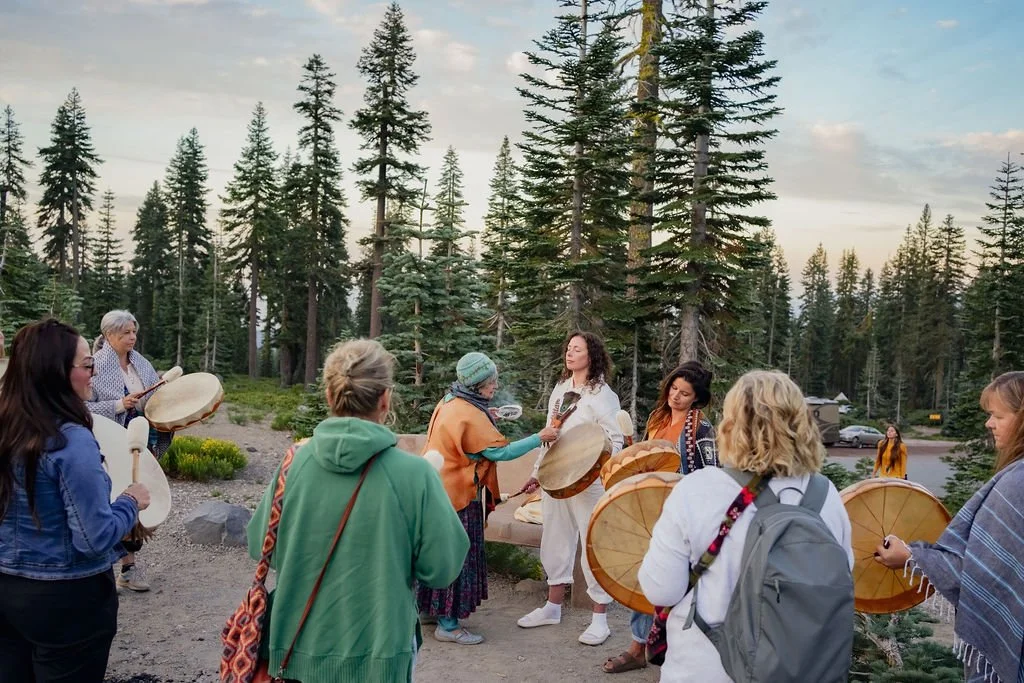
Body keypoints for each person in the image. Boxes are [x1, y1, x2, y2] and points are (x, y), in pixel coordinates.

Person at [246, 339, 469, 683]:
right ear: (385, 399)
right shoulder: (416, 474)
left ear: (329, 396)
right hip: (380, 656)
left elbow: (261, 547)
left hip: (295, 651)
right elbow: (441, 569)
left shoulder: (293, 464)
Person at [638, 370, 853, 683]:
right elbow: (842, 574)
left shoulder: (697, 489)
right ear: (801, 424)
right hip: (797, 668)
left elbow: (662, 589)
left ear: (731, 425)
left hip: (704, 667)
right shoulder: (825, 495)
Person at [0, 319, 150, 683]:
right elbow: (93, 537)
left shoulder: (7, 424)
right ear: (55, 372)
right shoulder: (70, 440)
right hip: (67, 597)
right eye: (87, 365)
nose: (93, 373)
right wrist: (130, 501)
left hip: (6, 588)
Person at [875, 371, 1024, 683]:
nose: (989, 423)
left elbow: (986, 576)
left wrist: (912, 558)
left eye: (998, 416)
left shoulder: (1016, 486)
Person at [416, 352, 560, 645]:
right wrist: (539, 437)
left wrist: (487, 415)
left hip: (436, 491)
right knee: (457, 557)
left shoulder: (450, 401)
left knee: (437, 553)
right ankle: (448, 625)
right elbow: (500, 452)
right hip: (458, 497)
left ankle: (430, 610)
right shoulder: (468, 414)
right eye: (491, 382)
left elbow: (463, 434)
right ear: (477, 384)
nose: (495, 386)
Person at [604, 360, 718, 674]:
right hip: (651, 508)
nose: (676, 396)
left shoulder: (701, 428)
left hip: (683, 512)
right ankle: (639, 647)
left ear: (696, 398)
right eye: (674, 388)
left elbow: (710, 474)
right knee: (648, 577)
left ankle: (675, 656)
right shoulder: (658, 417)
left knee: (679, 585)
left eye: (684, 393)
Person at [517, 331, 624, 646]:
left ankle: (599, 619)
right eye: (568, 348)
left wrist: (600, 471)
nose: (570, 352)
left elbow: (615, 438)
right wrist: (537, 473)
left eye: (577, 349)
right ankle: (552, 608)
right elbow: (551, 434)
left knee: (593, 543)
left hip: (589, 480)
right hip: (556, 478)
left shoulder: (603, 394)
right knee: (555, 538)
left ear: (592, 355)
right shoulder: (562, 389)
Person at [87, 309, 170, 592]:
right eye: (126, 333)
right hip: (110, 443)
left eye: (134, 332)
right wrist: (118, 405)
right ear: (109, 335)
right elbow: (81, 407)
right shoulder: (95, 366)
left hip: (140, 439)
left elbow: (154, 398)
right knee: (115, 499)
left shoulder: (140, 363)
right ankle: (119, 567)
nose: (132, 337)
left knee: (140, 496)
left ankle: (127, 567)